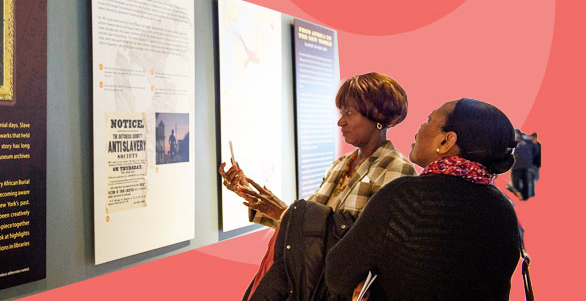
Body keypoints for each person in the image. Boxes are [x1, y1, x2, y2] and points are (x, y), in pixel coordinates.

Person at [220, 72, 416, 300]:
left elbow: (368, 245)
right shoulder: (340, 165)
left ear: (377, 116)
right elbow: (305, 230)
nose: (340, 121)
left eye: (349, 113)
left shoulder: (397, 169)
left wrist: (284, 212)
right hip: (312, 286)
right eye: (341, 113)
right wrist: (251, 195)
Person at [325, 99, 522, 300]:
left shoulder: (404, 197)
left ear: (446, 141)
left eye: (429, 120)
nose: (421, 127)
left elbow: (338, 274)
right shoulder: (504, 208)